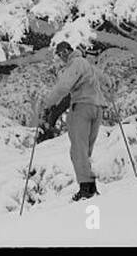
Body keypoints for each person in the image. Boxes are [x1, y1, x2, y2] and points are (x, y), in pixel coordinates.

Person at [36, 41, 108, 201]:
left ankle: (86, 189)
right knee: (85, 149)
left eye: (62, 53)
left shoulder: (75, 63)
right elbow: (105, 80)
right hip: (98, 107)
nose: (62, 57)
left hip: (82, 107)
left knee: (78, 149)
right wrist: (108, 85)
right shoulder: (88, 65)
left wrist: (48, 103)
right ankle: (90, 186)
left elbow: (63, 86)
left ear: (69, 50)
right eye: (59, 55)